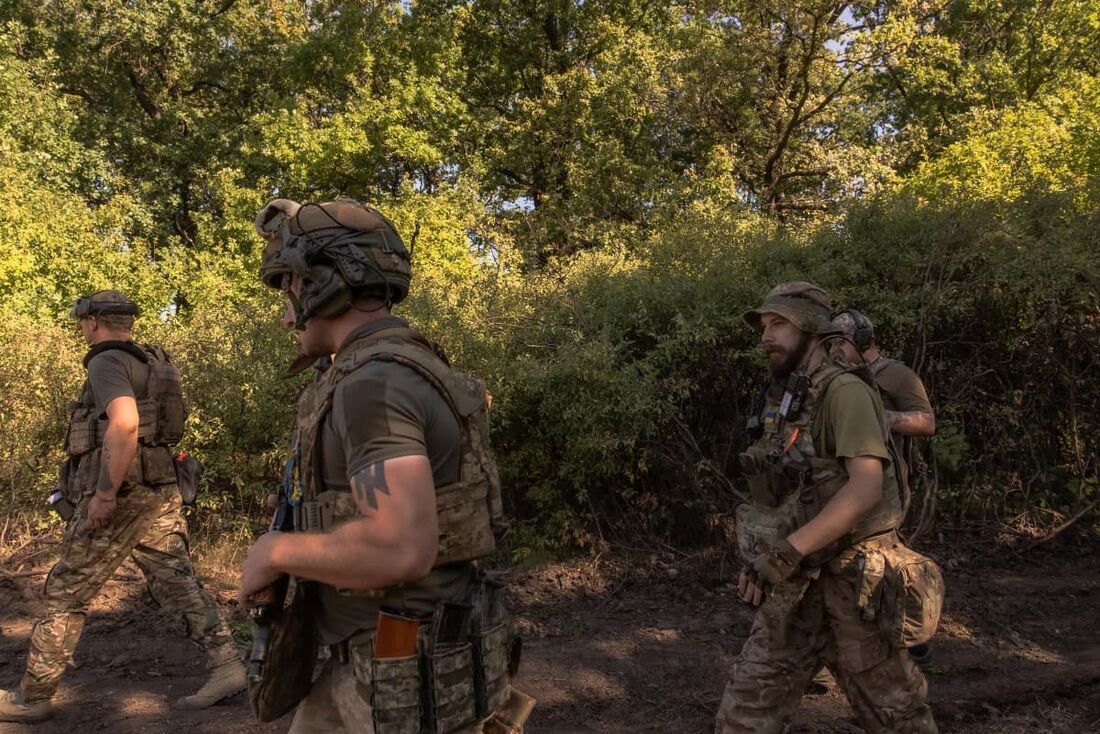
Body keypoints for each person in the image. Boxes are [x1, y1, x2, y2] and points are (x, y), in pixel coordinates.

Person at [240, 198, 528, 733]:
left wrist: (277, 550)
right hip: (380, 665)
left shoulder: (374, 385)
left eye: (291, 287)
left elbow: (398, 546)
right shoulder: (399, 366)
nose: (285, 314)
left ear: (325, 283)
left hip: (391, 681)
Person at [0, 290, 246, 723]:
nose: (82, 328)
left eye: (83, 321)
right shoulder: (150, 361)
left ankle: (33, 697)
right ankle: (227, 667)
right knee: (175, 581)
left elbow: (126, 422)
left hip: (125, 495)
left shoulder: (105, 361)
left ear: (93, 321)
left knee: (65, 590)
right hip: (159, 488)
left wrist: (104, 494)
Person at [716, 282, 939, 734]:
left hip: (855, 589)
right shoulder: (791, 395)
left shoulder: (845, 392)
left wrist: (783, 553)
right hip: (798, 591)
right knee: (743, 718)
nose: (766, 336)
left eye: (779, 324)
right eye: (764, 326)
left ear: (812, 329)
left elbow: (864, 491)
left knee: (899, 721)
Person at [832, 308, 937, 670]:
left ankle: (914, 635)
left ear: (861, 340)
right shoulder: (839, 377)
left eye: (841, 341)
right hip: (851, 484)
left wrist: (882, 418)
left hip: (889, 487)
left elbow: (926, 422)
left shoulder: (895, 373)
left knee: (885, 564)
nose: (835, 349)